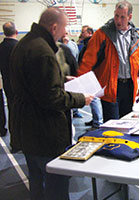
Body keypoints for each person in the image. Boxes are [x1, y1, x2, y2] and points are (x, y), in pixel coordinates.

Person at [9, 8, 94, 199]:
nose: (66, 34)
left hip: (27, 129)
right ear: (54, 27)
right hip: (44, 132)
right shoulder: (43, 52)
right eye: (64, 28)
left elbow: (34, 84)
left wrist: (62, 79)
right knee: (56, 186)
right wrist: (81, 98)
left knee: (36, 181)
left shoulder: (25, 44)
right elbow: (51, 97)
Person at [78, 1, 139, 122]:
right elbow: (87, 61)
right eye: (116, 15)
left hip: (129, 88)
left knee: (126, 123)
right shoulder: (102, 35)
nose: (118, 20)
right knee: (112, 127)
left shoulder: (138, 38)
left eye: (122, 17)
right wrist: (80, 86)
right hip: (109, 87)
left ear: (130, 17)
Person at [78, 25, 103, 128]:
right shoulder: (87, 43)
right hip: (89, 73)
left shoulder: (91, 43)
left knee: (94, 98)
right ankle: (95, 119)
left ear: (89, 32)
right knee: (93, 98)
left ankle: (98, 122)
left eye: (83, 32)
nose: (81, 34)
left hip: (91, 74)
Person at [0, 22, 18, 137]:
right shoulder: (20, 47)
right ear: (16, 32)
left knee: (12, 110)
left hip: (7, 84)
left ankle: (15, 140)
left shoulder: (1, 48)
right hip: (21, 85)